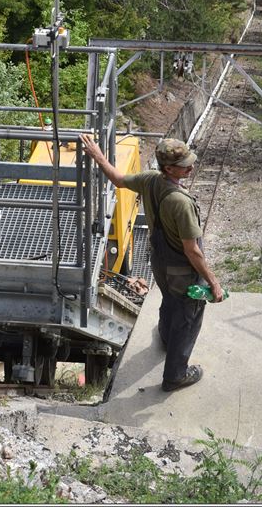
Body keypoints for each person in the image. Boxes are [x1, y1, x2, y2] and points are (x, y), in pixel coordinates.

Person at [80, 133, 223, 392]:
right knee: (188, 317)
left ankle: (167, 338)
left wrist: (97, 154)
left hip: (160, 261)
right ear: (169, 168)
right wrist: (213, 282)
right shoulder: (180, 203)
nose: (191, 166)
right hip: (181, 269)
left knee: (169, 300)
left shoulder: (150, 181)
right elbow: (193, 251)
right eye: (185, 165)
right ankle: (175, 375)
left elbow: (118, 179)